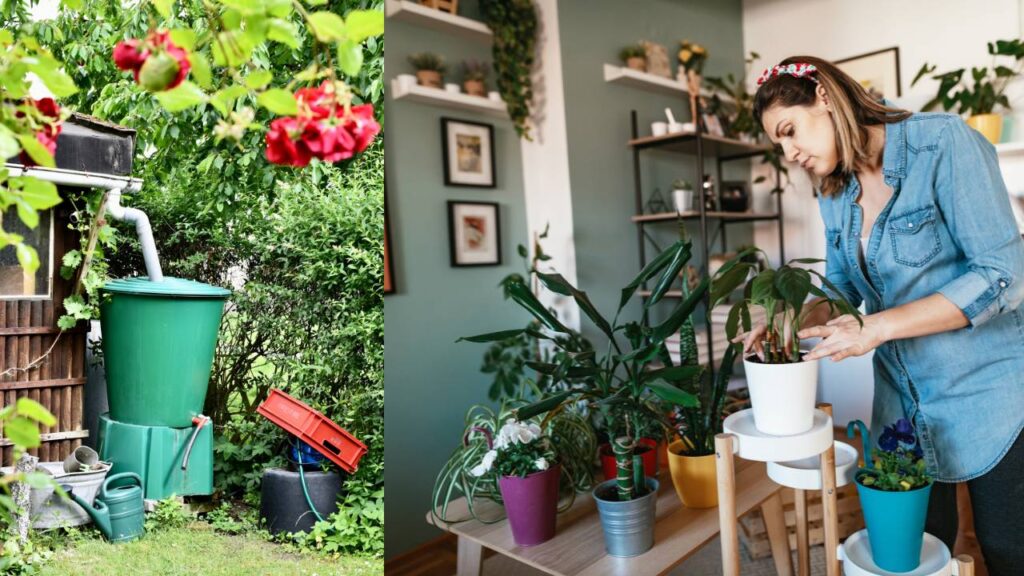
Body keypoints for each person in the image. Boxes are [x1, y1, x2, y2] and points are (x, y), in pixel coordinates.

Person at [735, 56, 1024, 573]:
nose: (789, 152)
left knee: (1008, 549)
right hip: (903, 405)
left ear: (823, 95)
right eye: (779, 144)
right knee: (910, 551)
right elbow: (843, 288)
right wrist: (786, 321)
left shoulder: (943, 143)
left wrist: (879, 327)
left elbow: (1004, 273)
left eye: (789, 131)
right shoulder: (833, 193)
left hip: (992, 394)